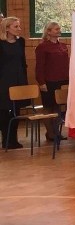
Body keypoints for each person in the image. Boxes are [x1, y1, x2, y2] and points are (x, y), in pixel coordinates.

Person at [35, 21, 70, 140]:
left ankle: (56, 132)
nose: (59, 30)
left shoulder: (63, 46)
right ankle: (50, 133)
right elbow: (39, 66)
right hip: (49, 81)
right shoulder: (42, 46)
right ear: (48, 31)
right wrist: (41, 82)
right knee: (48, 107)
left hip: (63, 80)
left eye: (59, 28)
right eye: (56, 29)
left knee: (58, 107)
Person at [0, 17, 28, 149]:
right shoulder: (1, 43)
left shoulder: (20, 42)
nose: (19, 29)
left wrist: (25, 80)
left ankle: (14, 139)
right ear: (6, 28)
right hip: (4, 80)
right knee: (4, 111)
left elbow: (23, 62)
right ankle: (6, 139)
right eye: (15, 27)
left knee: (17, 110)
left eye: (19, 26)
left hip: (19, 78)